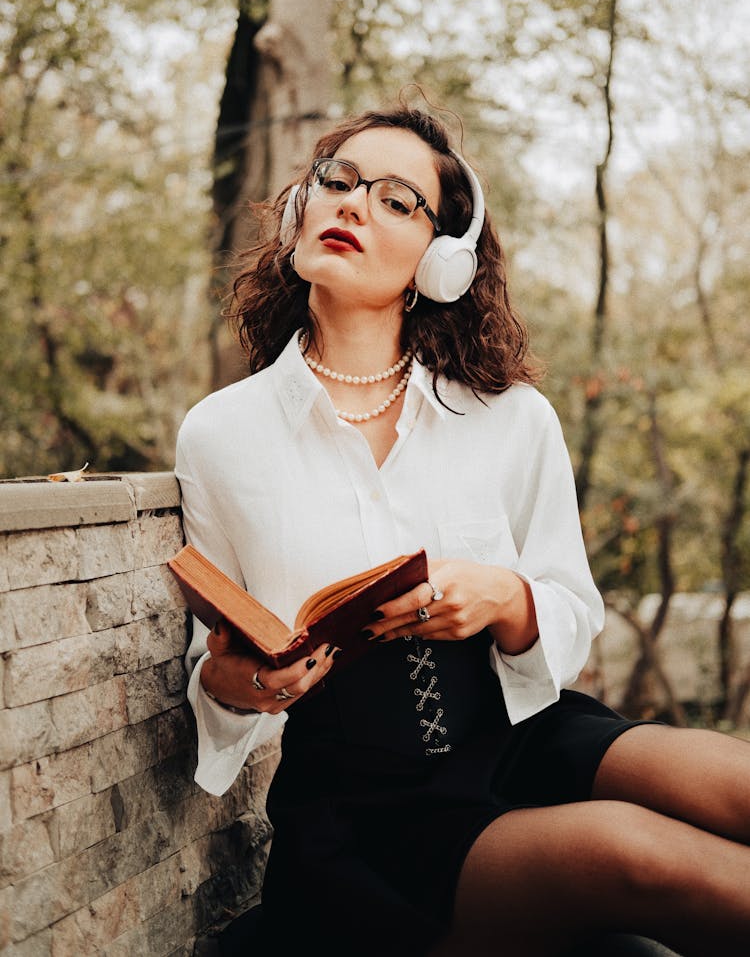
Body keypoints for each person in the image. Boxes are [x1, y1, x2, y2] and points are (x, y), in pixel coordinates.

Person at [175, 105, 750, 957]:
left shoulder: (512, 419)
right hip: (370, 804)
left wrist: (508, 598)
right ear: (303, 208)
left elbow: (568, 610)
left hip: (527, 732)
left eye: (396, 198)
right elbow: (212, 666)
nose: (353, 203)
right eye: (336, 180)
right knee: (638, 853)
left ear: (440, 262)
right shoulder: (220, 433)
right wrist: (241, 681)